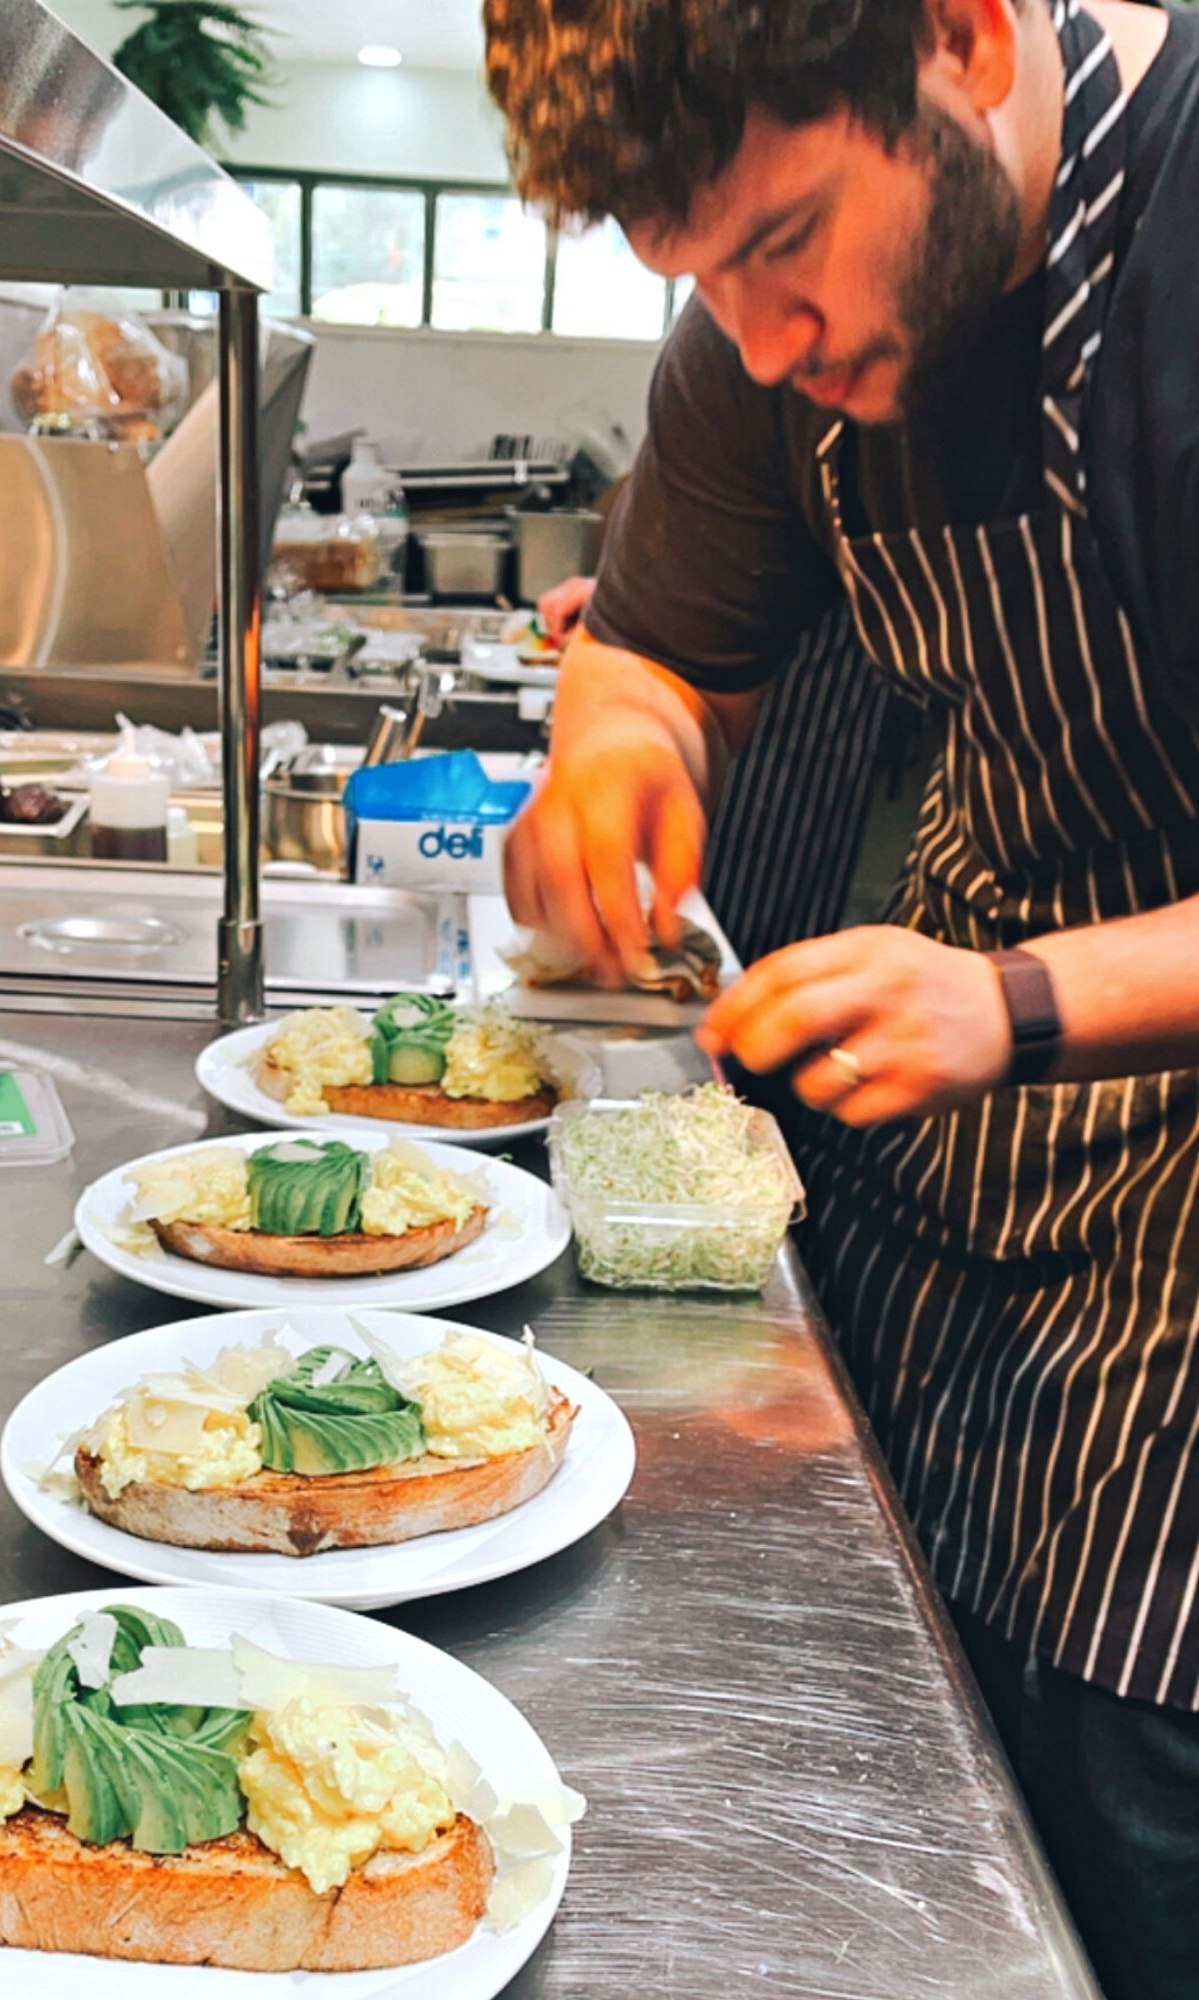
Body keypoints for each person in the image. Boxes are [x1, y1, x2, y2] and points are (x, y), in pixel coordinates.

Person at [482, 4, 1199, 1996]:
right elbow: (649, 650)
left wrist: (1022, 1002)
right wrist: (617, 757)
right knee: (920, 1773)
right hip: (956, 1161)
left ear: (961, 41)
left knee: (1135, 1816)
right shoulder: (754, 341)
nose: (768, 338)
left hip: (1172, 1278)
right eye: (708, 280)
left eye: (787, 242)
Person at [539, 575, 909, 963]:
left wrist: (663, 595)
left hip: (807, 672)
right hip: (717, 619)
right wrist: (638, 591)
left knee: (749, 926)